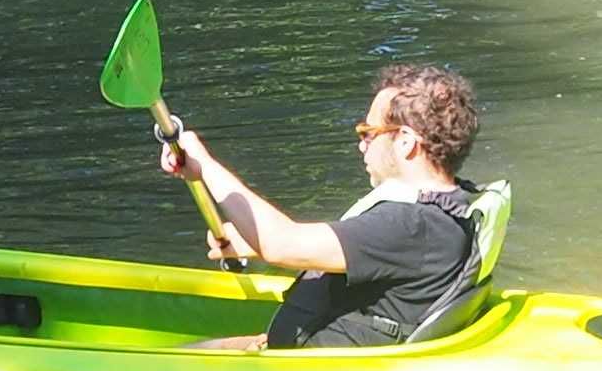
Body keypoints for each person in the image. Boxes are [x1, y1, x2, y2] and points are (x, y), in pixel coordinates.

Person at [153, 60, 485, 348]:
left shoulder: (411, 227)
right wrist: (249, 240)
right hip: (301, 352)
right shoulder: (444, 212)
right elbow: (352, 254)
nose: (361, 146)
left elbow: (281, 243)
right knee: (194, 351)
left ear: (405, 142)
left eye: (367, 133)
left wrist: (205, 165)